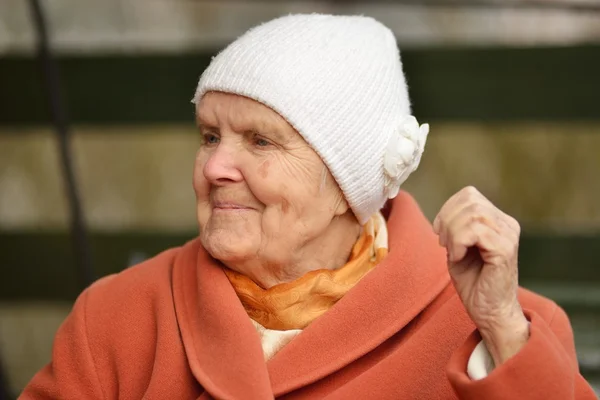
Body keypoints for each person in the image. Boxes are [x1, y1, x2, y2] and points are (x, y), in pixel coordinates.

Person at [21, 14, 597, 400]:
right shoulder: (115, 321)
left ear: (348, 186)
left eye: (260, 141)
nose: (216, 166)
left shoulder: (504, 333)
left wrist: (499, 327)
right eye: (209, 136)